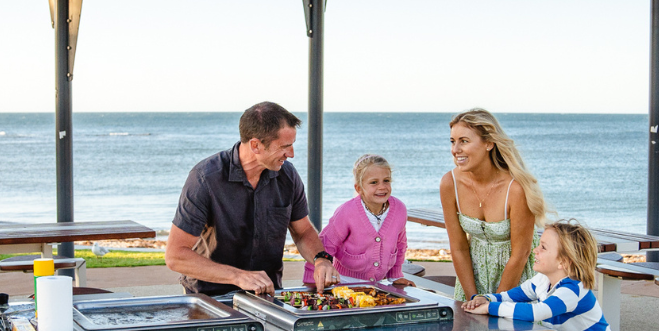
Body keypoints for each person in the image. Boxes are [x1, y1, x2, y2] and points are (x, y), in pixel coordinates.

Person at [165, 101, 339, 296]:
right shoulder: (205, 178)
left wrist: (320, 259)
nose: (291, 154)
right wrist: (238, 276)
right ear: (256, 145)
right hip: (210, 298)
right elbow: (176, 255)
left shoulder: (288, 176)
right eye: (285, 146)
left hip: (267, 296)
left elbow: (303, 230)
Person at [465, 220, 629, 331]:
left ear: (563, 262)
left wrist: (490, 308)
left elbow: (536, 312)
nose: (535, 249)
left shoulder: (574, 290)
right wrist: (486, 298)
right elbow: (512, 295)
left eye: (543, 247)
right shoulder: (542, 281)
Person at [440, 108, 550, 301]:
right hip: (471, 281)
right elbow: (458, 248)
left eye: (464, 141)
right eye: (452, 141)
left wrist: (494, 303)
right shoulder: (450, 183)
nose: (455, 150)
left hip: (517, 282)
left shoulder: (516, 188)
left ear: (489, 143)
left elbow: (520, 254)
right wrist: (473, 297)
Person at [302, 154, 414, 287]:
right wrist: (312, 279)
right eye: (374, 182)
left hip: (379, 284)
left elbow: (400, 245)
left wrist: (395, 276)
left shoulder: (399, 209)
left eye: (386, 180)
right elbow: (326, 244)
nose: (382, 187)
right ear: (359, 188)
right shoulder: (347, 212)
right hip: (344, 282)